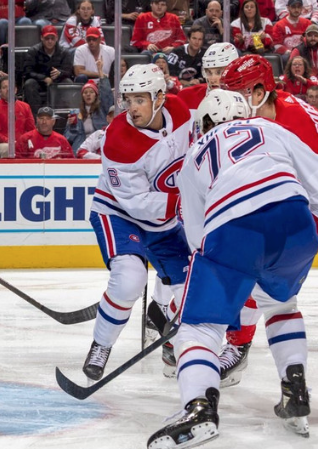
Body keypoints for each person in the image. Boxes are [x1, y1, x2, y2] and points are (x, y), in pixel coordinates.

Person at [147, 88, 318, 448]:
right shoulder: (270, 128)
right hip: (295, 224)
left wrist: (219, 279)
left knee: (199, 325)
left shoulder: (195, 154)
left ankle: (199, 407)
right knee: (281, 305)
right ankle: (295, 391)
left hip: (234, 230)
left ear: (204, 124)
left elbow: (197, 235)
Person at [214, 54, 318, 387]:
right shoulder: (275, 109)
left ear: (258, 92)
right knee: (260, 274)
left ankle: (240, 347)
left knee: (267, 278)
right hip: (314, 199)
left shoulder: (288, 126)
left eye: (237, 94)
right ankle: (239, 345)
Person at [81, 64, 192, 381]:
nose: (131, 108)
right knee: (130, 279)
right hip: (119, 213)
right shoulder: (119, 140)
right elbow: (138, 203)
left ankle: (173, 339)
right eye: (128, 99)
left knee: (192, 290)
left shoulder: (181, 111)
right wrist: (187, 203)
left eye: (139, 100)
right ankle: (101, 345)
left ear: (159, 98)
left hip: (165, 218)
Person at [22, 24, 74, 115]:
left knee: (68, 82)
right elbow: (27, 71)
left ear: (57, 38)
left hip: (57, 81)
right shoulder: (33, 51)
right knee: (29, 83)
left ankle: (65, 116)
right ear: (42, 38)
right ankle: (36, 116)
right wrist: (43, 78)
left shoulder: (64, 52)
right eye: (47, 38)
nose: (50, 41)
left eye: (52, 38)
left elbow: (69, 71)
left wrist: (60, 73)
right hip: (39, 82)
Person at [177, 42, 238, 113]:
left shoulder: (246, 98)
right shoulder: (187, 96)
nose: (212, 79)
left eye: (218, 72)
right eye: (209, 72)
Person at [0, 77, 36, 157]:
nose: (8, 89)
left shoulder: (25, 106)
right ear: (0, 92)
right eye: (4, 87)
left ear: (15, 90)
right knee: (9, 149)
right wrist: (11, 142)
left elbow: (31, 129)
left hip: (21, 143)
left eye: (10, 87)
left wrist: (24, 142)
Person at [65, 76, 114, 149]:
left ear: (96, 96)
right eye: (85, 92)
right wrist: (71, 125)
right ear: (82, 96)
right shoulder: (75, 113)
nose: (88, 94)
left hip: (99, 145)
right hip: (81, 147)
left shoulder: (102, 110)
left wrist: (102, 75)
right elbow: (68, 138)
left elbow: (107, 94)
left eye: (91, 92)